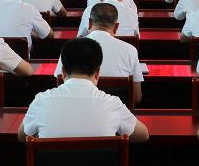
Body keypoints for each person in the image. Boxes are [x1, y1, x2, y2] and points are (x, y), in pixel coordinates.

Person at [19, 38, 149, 141]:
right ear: (97, 73)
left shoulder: (41, 101)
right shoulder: (113, 104)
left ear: (63, 72)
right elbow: (143, 135)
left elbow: (21, 136)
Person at [54, 3, 145, 105]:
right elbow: (136, 97)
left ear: (89, 23)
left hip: (75, 108)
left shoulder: (70, 48)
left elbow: (59, 88)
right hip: (116, 112)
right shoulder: (130, 50)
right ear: (116, 27)